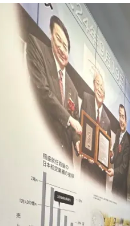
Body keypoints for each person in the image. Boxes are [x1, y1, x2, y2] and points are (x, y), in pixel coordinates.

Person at [26, 15, 82, 160]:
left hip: (63, 158)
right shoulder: (37, 48)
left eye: (66, 47)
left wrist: (77, 141)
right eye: (58, 39)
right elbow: (42, 91)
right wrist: (69, 119)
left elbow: (75, 122)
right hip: (39, 146)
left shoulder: (73, 89)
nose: (62, 49)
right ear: (51, 36)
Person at [81, 70, 111, 187]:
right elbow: (80, 128)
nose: (99, 89)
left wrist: (108, 154)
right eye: (97, 84)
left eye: (102, 87)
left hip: (99, 176)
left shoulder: (107, 121)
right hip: (86, 169)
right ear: (93, 85)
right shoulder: (86, 98)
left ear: (105, 95)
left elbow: (106, 150)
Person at [110, 104, 130, 199]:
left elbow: (124, 167)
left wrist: (114, 172)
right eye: (120, 116)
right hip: (115, 184)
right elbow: (114, 156)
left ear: (127, 121)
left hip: (121, 188)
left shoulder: (127, 142)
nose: (121, 120)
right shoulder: (117, 133)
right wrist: (111, 155)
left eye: (123, 117)